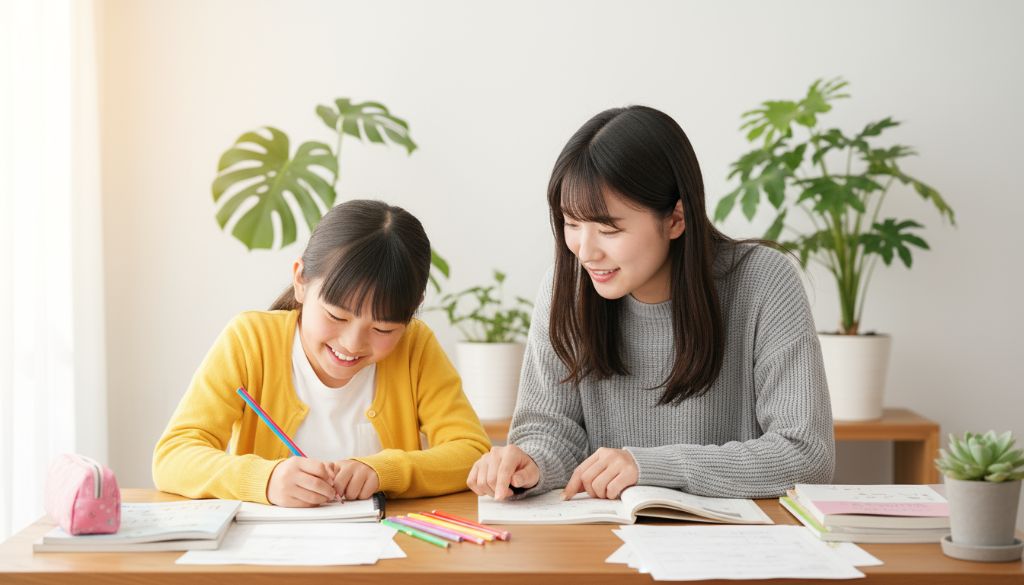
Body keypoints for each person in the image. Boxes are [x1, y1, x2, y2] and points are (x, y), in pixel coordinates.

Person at [467, 106, 834, 501]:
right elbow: (550, 430)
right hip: (606, 541)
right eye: (571, 224)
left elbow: (805, 454)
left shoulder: (763, 281)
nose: (585, 251)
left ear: (676, 219)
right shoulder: (568, 285)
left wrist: (652, 466)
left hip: (736, 546)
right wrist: (530, 463)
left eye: (608, 228)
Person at [154, 200, 490, 506]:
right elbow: (173, 456)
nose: (352, 343)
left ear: (411, 313)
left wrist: (383, 471)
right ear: (301, 280)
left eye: (383, 329)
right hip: (270, 556)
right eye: (336, 316)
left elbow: (471, 451)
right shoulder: (250, 340)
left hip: (386, 557)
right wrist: (266, 480)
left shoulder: (415, 347)